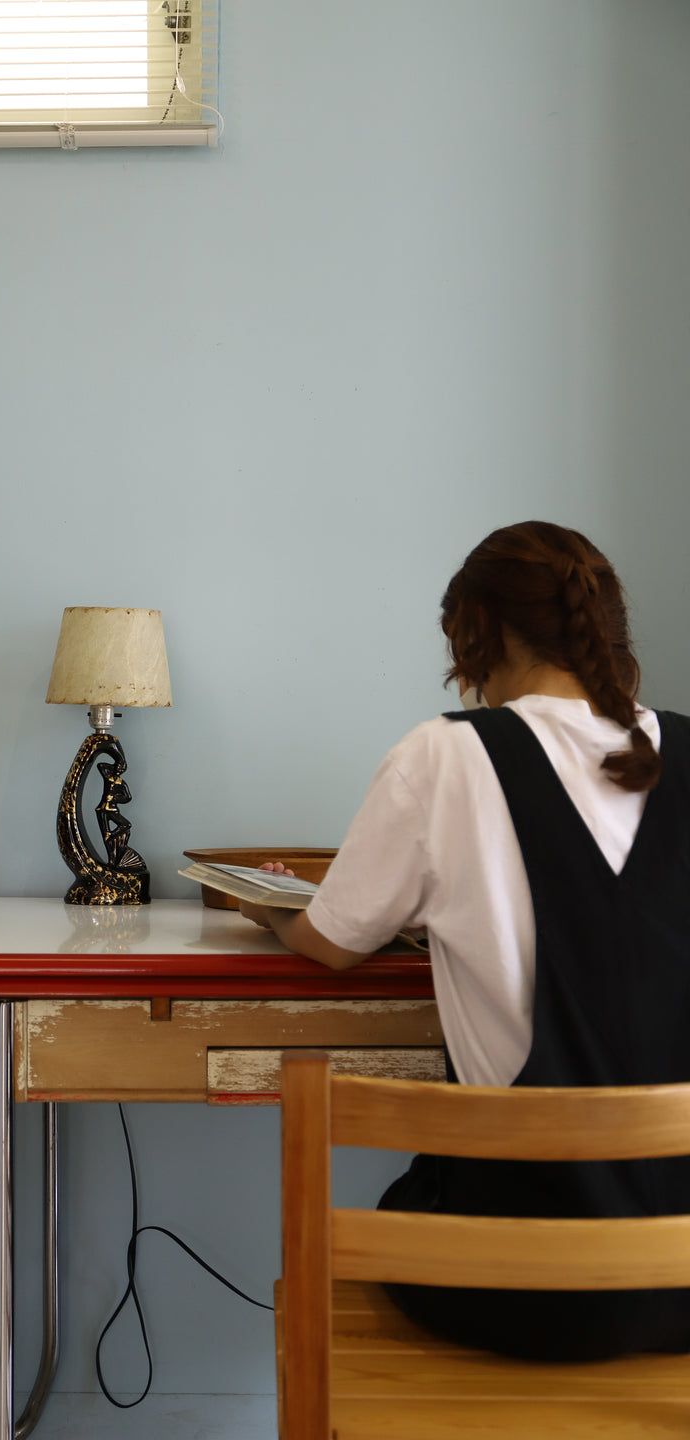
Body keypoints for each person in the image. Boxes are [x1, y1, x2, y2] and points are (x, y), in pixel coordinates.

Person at [240, 519, 690, 1361]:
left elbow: (333, 943)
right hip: (684, 1284)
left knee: (409, 1208)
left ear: (479, 629)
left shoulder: (445, 756)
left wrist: (269, 906)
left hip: (518, 1292)